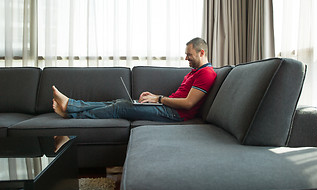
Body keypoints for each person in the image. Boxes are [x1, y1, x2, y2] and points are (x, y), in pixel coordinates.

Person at [53, 37, 217, 151]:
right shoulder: (194, 72)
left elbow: (188, 103)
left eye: (189, 54)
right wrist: (155, 98)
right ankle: (71, 106)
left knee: (122, 107)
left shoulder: (206, 73)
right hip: (168, 108)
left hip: (176, 115)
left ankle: (71, 111)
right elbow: (178, 97)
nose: (186, 58)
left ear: (201, 53)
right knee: (120, 102)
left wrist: (159, 99)